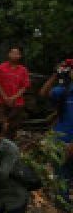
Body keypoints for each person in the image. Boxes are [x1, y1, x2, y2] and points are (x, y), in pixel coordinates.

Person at [40, 59, 73, 205]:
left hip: (69, 142)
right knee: (62, 178)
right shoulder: (64, 90)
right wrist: (55, 75)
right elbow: (43, 93)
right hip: (61, 141)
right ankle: (63, 210)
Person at [0, 45, 30, 138]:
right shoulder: (0, 67)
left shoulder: (23, 70)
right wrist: (5, 97)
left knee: (13, 128)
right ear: (9, 54)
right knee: (0, 126)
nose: (14, 55)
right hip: (1, 102)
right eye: (13, 52)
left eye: (17, 53)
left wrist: (13, 98)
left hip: (17, 104)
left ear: (20, 56)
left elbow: (25, 87)